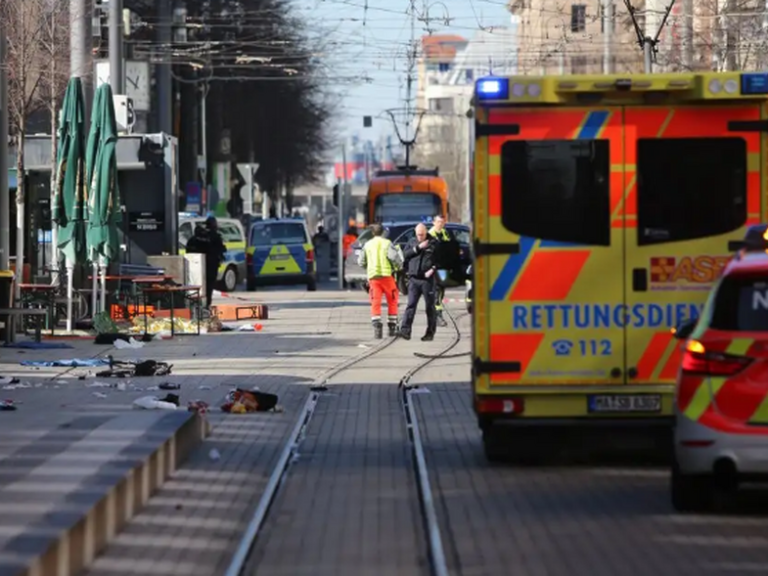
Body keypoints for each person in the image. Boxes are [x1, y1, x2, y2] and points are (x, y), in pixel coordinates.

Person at [357, 223, 401, 338]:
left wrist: (369, 266)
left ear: (372, 233)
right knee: (392, 300)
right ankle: (392, 326)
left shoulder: (367, 245)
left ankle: (377, 326)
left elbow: (361, 262)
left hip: (373, 278)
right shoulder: (387, 243)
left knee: (375, 301)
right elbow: (394, 258)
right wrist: (398, 267)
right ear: (383, 232)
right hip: (387, 276)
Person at [399, 223, 439, 341]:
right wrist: (418, 248)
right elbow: (404, 256)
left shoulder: (434, 243)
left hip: (427, 280)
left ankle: (430, 332)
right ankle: (405, 331)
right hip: (414, 279)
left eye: (422, 235)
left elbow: (440, 260)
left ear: (426, 232)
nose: (420, 237)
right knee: (411, 305)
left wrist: (432, 270)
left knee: (430, 307)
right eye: (418, 235)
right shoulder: (412, 242)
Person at [189, 216, 226, 309]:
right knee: (209, 288)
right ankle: (206, 306)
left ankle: (198, 306)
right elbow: (221, 250)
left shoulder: (194, 239)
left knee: (196, 288)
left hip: (196, 268)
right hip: (211, 267)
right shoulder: (215, 237)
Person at [428, 215, 451, 327]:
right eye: (438, 222)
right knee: (436, 291)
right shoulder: (430, 235)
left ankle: (436, 314)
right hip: (433, 268)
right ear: (433, 222)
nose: (440, 224)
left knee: (441, 291)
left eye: (442, 222)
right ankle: (437, 316)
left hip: (443, 267)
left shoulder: (444, 233)